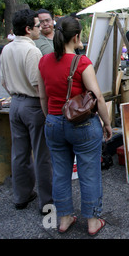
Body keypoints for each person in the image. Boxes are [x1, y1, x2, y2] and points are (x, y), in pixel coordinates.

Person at [38, 16, 113, 236]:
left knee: (60, 173)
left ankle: (64, 219)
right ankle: (92, 221)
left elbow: (42, 97)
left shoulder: (44, 61)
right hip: (82, 124)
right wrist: (107, 124)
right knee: (89, 172)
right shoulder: (82, 63)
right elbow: (97, 97)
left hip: (53, 122)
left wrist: (52, 118)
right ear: (77, 36)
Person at [0, 9, 53, 214]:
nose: (41, 29)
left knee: (19, 153)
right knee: (42, 154)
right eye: (38, 26)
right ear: (28, 29)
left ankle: (21, 196)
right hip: (32, 104)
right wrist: (46, 111)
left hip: (15, 103)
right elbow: (38, 86)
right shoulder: (32, 51)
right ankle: (47, 202)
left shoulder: (6, 49)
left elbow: (4, 81)